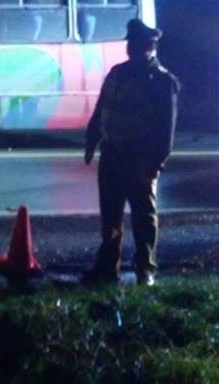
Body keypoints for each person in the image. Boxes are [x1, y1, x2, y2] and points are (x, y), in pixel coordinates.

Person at [81, 19, 180, 286]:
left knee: (143, 217)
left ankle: (145, 269)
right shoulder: (117, 73)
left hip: (140, 159)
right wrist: (92, 142)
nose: (131, 48)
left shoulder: (162, 82)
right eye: (130, 43)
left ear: (150, 46)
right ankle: (107, 268)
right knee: (110, 216)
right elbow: (102, 110)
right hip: (112, 154)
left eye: (136, 44)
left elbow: (165, 132)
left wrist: (153, 165)